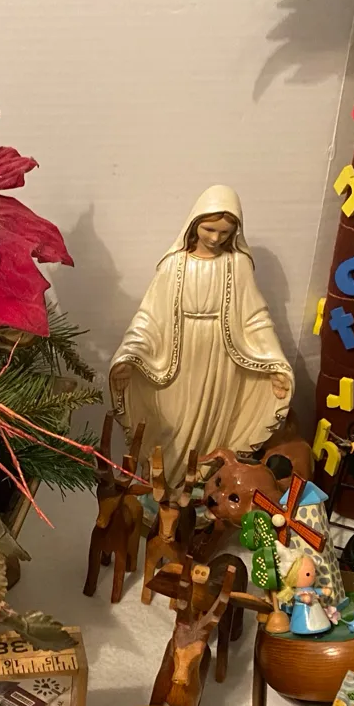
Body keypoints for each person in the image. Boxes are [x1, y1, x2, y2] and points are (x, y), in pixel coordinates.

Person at [110, 185, 293, 488]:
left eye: (225, 232)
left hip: (221, 360)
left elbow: (255, 317)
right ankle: (166, 484)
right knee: (172, 423)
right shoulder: (175, 264)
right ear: (194, 223)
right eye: (209, 229)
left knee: (212, 425)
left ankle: (200, 485)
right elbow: (149, 317)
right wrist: (129, 355)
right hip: (179, 359)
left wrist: (274, 362)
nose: (215, 238)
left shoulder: (237, 265)